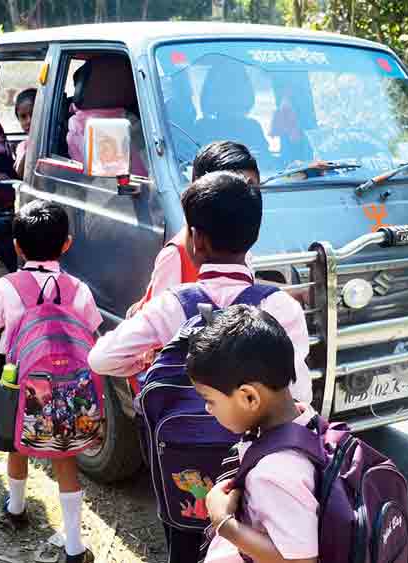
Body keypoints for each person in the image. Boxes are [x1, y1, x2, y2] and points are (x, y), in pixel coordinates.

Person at [88, 171, 313, 563]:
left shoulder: (175, 304)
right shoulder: (281, 307)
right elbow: (301, 395)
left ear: (196, 238)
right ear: (253, 236)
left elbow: (100, 358)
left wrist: (147, 355)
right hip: (258, 470)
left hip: (182, 466)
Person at [0, 201, 102, 563]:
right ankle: (74, 547)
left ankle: (17, 508)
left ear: (18, 246)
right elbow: (94, 338)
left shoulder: (7, 286)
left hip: (16, 376)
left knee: (16, 443)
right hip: (67, 385)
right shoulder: (78, 288)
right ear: (67, 244)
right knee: (64, 458)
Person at [190, 305, 319, 563]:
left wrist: (223, 522)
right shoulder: (305, 419)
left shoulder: (275, 472)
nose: (207, 408)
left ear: (249, 397)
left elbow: (299, 560)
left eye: (210, 400)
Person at [128, 141, 260, 317]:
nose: (243, 199)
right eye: (229, 190)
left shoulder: (241, 249)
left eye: (251, 187)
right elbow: (157, 323)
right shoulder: (176, 255)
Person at [13, 87, 36, 178]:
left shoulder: (49, 142)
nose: (28, 121)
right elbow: (19, 175)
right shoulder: (22, 146)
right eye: (23, 116)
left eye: (34, 114)